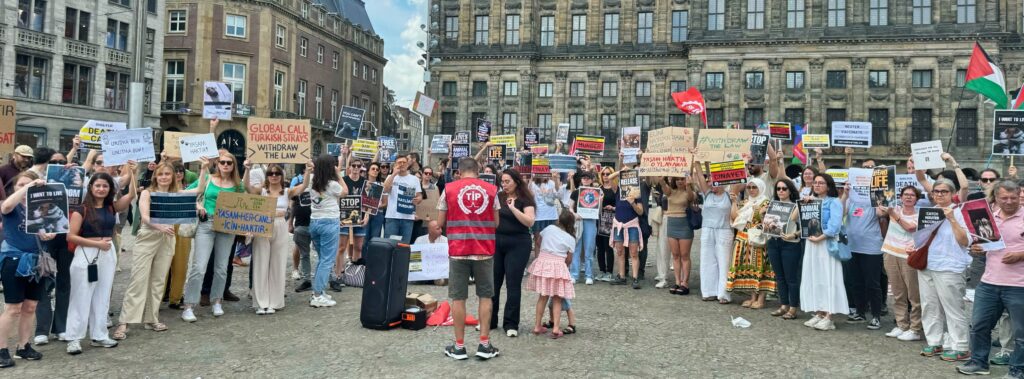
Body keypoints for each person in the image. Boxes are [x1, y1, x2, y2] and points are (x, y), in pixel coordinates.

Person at [113, 161, 202, 340]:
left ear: (173, 177)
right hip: (148, 236)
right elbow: (145, 217)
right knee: (138, 279)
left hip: (167, 238)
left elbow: (199, 189)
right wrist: (160, 226)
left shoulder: (176, 193)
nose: (163, 177)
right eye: (160, 174)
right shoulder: (148, 192)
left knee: (158, 280)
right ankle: (125, 321)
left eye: (167, 174)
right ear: (155, 176)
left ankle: (151, 318)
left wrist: (205, 167)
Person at [66, 169, 137, 354]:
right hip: (86, 253)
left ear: (110, 189)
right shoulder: (81, 209)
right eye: (97, 185)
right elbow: (71, 236)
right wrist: (95, 243)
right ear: (91, 187)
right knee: (81, 296)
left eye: (105, 185)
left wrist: (134, 173)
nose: (101, 188)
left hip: (107, 253)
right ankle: (74, 337)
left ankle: (99, 334)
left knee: (103, 295)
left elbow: (132, 195)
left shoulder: (111, 207)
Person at [958, 180, 1024, 377]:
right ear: (996, 197)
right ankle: (979, 362)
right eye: (1004, 197)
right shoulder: (987, 217)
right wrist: (977, 248)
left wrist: (1020, 255)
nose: (1010, 201)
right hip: (989, 282)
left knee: (1021, 333)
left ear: (1020, 195)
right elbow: (981, 245)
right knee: (979, 326)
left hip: (1019, 285)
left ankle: (1018, 369)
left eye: (1014, 197)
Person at [438, 157, 501, 360]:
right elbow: (496, 223)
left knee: (458, 297)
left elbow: (440, 222)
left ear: (459, 171)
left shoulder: (448, 189)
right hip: (484, 250)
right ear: (478, 169)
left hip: (458, 249)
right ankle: (484, 344)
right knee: (485, 296)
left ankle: (459, 347)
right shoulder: (491, 190)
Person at [909, 178, 973, 360]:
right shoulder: (930, 211)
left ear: (952, 194)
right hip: (928, 264)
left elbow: (965, 241)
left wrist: (952, 219)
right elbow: (922, 239)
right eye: (936, 192)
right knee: (930, 306)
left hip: (950, 266)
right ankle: (934, 342)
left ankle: (960, 346)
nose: (939, 195)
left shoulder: (961, 212)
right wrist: (913, 246)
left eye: (943, 192)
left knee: (953, 308)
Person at [181, 150, 246, 322]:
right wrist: (198, 206)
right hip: (207, 223)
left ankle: (217, 300)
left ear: (234, 165)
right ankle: (189, 305)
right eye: (222, 162)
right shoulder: (209, 179)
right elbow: (189, 192)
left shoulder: (238, 185)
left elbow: (246, 205)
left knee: (221, 267)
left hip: (227, 226)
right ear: (217, 163)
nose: (225, 165)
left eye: (229, 163)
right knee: (199, 267)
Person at [0, 172, 51, 367]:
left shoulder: (41, 209)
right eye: (21, 184)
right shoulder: (11, 205)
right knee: (13, 308)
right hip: (14, 259)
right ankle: (2, 349)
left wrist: (49, 235)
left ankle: (23, 346)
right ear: (15, 187)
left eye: (30, 184)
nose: (26, 187)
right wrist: (28, 187)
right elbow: (5, 207)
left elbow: (50, 232)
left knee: (30, 307)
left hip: (36, 260)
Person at [245, 162, 311, 314]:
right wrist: (247, 169)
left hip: (280, 225)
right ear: (267, 176)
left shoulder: (287, 191)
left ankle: (274, 301)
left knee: (277, 263)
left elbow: (304, 186)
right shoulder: (261, 191)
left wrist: (307, 171)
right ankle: (261, 302)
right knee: (261, 263)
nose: (274, 176)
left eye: (277, 173)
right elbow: (247, 187)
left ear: (281, 176)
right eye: (270, 173)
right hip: (262, 225)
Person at [800, 173, 849, 331]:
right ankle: (819, 312)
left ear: (828, 186)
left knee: (828, 278)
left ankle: (829, 315)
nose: (817, 185)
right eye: (815, 182)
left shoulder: (834, 202)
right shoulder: (810, 200)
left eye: (821, 183)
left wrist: (820, 237)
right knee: (815, 277)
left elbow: (835, 226)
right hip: (812, 243)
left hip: (825, 243)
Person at [491, 169, 536, 337]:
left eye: (507, 181)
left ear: (516, 181)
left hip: (518, 243)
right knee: (493, 282)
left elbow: (529, 221)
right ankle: (490, 320)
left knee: (513, 284)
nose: (504, 185)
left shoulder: (526, 199)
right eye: (502, 181)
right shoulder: (499, 197)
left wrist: (513, 208)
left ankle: (511, 323)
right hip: (497, 241)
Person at [878, 185, 924, 342]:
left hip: (908, 256)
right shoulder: (894, 208)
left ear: (917, 199)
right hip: (890, 253)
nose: (909, 197)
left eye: (912, 195)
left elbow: (911, 228)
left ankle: (915, 328)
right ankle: (901, 325)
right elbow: (879, 211)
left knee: (913, 294)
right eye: (906, 194)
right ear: (901, 196)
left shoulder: (919, 215)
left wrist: (895, 216)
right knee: (898, 293)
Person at [840, 175, 886, 329]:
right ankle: (860, 312)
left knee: (872, 283)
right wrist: (846, 194)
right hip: (852, 246)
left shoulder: (875, 199)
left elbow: (882, 213)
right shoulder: (851, 200)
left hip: (871, 248)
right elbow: (840, 213)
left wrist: (878, 195)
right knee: (856, 281)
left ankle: (876, 315)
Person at [527, 209, 577, 339]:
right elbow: (569, 259)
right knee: (557, 298)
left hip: (543, 262)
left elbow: (538, 241)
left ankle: (537, 325)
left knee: (542, 296)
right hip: (559, 266)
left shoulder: (549, 228)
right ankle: (555, 328)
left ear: (559, 220)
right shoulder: (571, 238)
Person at [726, 178, 776, 309]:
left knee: (760, 268)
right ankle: (752, 296)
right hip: (743, 239)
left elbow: (768, 222)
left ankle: (761, 299)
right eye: (749, 188)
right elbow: (734, 217)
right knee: (748, 268)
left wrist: (760, 213)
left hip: (758, 239)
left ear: (761, 188)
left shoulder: (766, 202)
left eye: (755, 187)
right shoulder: (745, 202)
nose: (752, 190)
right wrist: (734, 202)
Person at [306, 154, 348, 307]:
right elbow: (345, 191)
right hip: (329, 222)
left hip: (315, 221)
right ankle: (317, 294)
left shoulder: (312, 181)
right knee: (326, 260)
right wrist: (339, 174)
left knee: (321, 258)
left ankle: (318, 290)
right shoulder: (332, 184)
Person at [765, 178, 803, 320]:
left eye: (784, 188)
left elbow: (805, 227)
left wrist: (794, 234)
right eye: (778, 188)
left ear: (790, 191)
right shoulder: (772, 204)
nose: (781, 191)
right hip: (774, 242)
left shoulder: (796, 206)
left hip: (790, 243)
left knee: (791, 278)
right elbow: (767, 225)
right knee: (780, 277)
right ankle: (784, 305)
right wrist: (764, 214)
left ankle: (793, 308)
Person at [607, 166, 644, 288]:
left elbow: (640, 212)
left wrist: (632, 202)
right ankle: (621, 276)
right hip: (619, 225)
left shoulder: (637, 194)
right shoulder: (617, 190)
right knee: (620, 252)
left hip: (632, 224)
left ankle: (635, 278)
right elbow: (609, 177)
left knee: (634, 253)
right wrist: (622, 172)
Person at [660, 175, 696, 295]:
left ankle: (685, 282)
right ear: (674, 180)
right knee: (675, 255)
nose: (680, 181)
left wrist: (689, 185)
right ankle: (677, 281)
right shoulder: (671, 191)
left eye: (682, 179)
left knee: (684, 255)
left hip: (684, 224)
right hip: (672, 223)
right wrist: (661, 178)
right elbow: (664, 186)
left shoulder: (689, 191)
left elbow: (691, 198)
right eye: (678, 179)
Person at [166, 161, 192, 309]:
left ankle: (175, 298)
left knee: (181, 264)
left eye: (181, 171)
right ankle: (159, 295)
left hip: (183, 226)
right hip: (167, 226)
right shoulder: (164, 188)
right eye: (175, 171)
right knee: (163, 264)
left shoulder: (189, 188)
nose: (179, 173)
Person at [382, 155, 422, 244]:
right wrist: (393, 174)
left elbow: (419, 196)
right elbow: (384, 189)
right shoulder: (390, 177)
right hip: (392, 217)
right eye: (399, 162)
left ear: (408, 164)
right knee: (390, 245)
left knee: (404, 246)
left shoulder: (414, 179)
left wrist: (418, 199)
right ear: (395, 164)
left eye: (404, 162)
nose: (402, 164)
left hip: (408, 218)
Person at [568, 171, 598, 285]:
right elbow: (569, 207)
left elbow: (598, 211)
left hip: (590, 220)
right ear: (581, 179)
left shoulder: (596, 192)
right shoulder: (576, 192)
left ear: (591, 180)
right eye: (584, 178)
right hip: (578, 220)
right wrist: (574, 215)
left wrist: (600, 200)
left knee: (589, 248)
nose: (585, 180)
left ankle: (589, 275)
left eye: (588, 178)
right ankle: (574, 274)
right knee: (576, 247)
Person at [595, 166, 617, 282]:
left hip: (611, 220)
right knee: (600, 247)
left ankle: (609, 271)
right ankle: (602, 270)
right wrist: (600, 202)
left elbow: (621, 204)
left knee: (608, 247)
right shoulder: (598, 189)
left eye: (608, 174)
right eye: (603, 174)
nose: (605, 176)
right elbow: (594, 207)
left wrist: (613, 208)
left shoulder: (615, 189)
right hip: (599, 219)